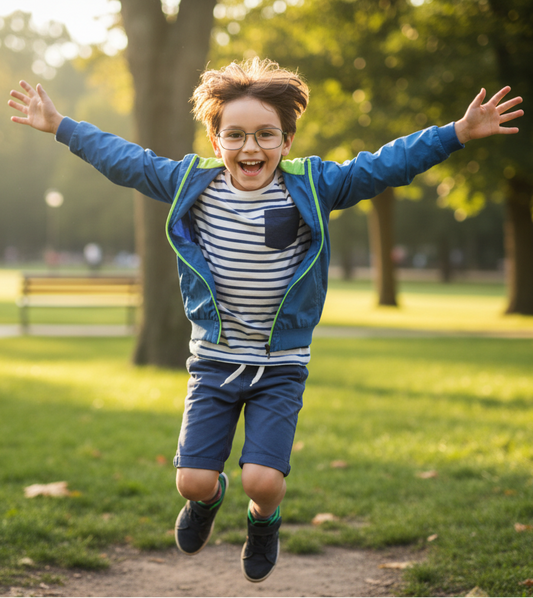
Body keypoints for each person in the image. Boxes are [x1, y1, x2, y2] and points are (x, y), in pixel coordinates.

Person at [8, 58, 523, 583]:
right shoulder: (192, 183)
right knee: (191, 481)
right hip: (214, 362)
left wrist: (456, 133)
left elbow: (384, 164)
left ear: (286, 140)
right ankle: (209, 503)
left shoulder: (312, 186)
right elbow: (128, 160)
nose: (250, 147)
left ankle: (263, 519)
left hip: (280, 366)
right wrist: (62, 127)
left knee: (262, 479)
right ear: (215, 139)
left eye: (265, 135)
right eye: (235, 135)